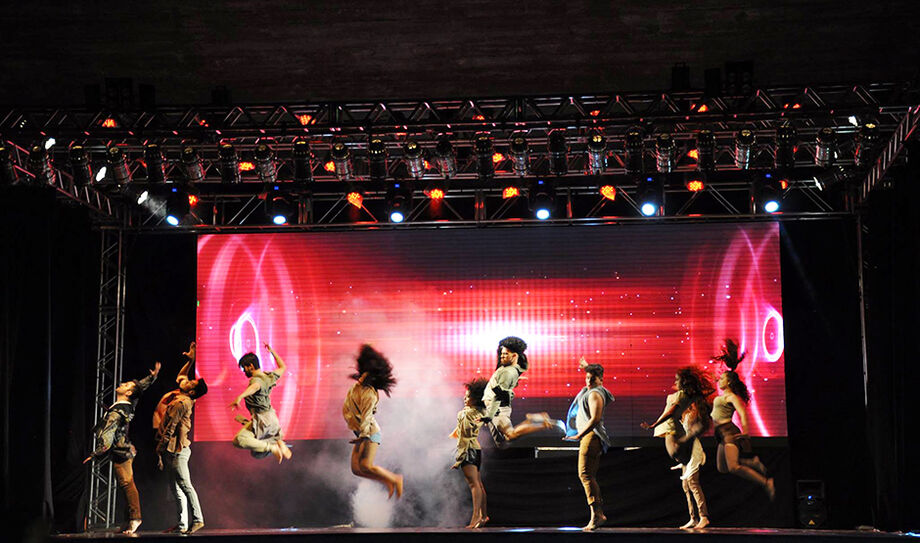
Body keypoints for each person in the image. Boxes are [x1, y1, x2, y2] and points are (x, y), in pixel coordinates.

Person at [83, 362, 161, 534]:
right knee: (124, 484)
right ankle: (128, 520)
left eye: (126, 385)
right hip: (123, 449)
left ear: (128, 393)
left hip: (121, 451)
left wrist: (96, 453)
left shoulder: (118, 411)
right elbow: (139, 388)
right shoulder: (129, 403)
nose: (123, 384)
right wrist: (152, 377)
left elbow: (108, 435)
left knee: (127, 483)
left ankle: (135, 518)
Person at [641, 366, 714, 529]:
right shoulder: (684, 410)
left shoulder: (693, 410)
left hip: (692, 447)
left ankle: (704, 516)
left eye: (677, 380)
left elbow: (694, 427)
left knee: (693, 482)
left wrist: (655, 425)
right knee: (686, 485)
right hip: (685, 446)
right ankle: (693, 517)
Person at [155, 342, 209, 534]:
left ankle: (198, 519)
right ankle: (182, 524)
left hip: (178, 449)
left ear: (192, 391)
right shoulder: (183, 396)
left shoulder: (182, 403)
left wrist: (160, 449)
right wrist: (190, 360)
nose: (187, 381)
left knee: (185, 485)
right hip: (173, 449)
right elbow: (181, 377)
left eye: (191, 383)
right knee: (175, 488)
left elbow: (171, 428)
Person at [712, 339, 775, 500]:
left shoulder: (731, 397)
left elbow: (742, 413)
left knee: (733, 467)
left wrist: (746, 431)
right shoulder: (722, 396)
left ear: (729, 382)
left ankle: (766, 482)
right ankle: (753, 462)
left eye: (722, 378)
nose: (719, 379)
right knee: (722, 468)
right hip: (720, 433)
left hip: (729, 432)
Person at [343, 344, 404, 498]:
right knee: (356, 469)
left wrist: (364, 435)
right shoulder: (357, 388)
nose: (361, 377)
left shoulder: (369, 394)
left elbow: (367, 416)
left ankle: (395, 479)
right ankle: (388, 480)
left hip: (369, 433)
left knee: (365, 465)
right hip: (360, 432)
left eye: (365, 375)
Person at [563, 359, 615, 531]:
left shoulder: (595, 394)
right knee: (587, 475)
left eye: (592, 379)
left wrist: (579, 435)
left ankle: (597, 514)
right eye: (587, 378)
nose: (588, 382)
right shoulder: (591, 391)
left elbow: (595, 419)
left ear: (601, 380)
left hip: (591, 437)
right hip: (589, 437)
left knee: (585, 475)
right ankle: (597, 514)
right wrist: (587, 367)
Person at [480, 336, 556, 447]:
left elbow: (498, 396)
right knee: (503, 442)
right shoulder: (508, 368)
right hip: (495, 407)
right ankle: (535, 419)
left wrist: (490, 415)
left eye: (505, 354)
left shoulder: (507, 372)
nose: (501, 356)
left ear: (514, 356)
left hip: (496, 408)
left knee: (510, 435)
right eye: (501, 353)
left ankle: (542, 424)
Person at [229, 343, 292, 463]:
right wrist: (272, 351)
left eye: (244, 368)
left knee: (239, 440)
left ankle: (273, 446)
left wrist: (240, 396)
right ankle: (277, 442)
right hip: (270, 418)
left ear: (251, 366)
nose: (244, 371)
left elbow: (255, 387)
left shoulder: (256, 380)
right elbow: (283, 367)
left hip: (264, 419)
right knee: (256, 450)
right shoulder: (269, 376)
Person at [450, 377, 489, 529]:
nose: (464, 399)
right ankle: (483, 515)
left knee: (474, 484)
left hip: (467, 450)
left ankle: (476, 517)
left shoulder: (464, 414)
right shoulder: (480, 412)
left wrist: (458, 460)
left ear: (476, 399)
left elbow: (462, 436)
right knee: (478, 484)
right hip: (476, 449)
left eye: (468, 397)